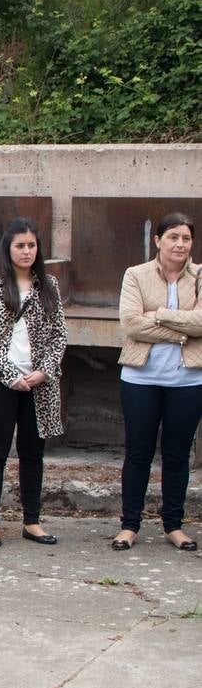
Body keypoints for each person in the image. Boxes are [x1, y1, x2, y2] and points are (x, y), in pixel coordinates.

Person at [0, 219, 68, 548]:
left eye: (31, 245)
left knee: (32, 454)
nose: (26, 251)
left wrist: (44, 370)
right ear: (8, 249)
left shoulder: (49, 285)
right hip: (0, 381)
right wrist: (10, 374)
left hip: (38, 382)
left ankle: (32, 521)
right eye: (20, 246)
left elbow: (60, 335)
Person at [113, 213, 202, 552]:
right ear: (158, 240)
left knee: (178, 455)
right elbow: (133, 325)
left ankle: (174, 525)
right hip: (141, 378)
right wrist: (184, 331)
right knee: (138, 453)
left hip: (189, 380)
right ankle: (129, 525)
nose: (180, 244)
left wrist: (161, 315)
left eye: (186, 238)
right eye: (173, 237)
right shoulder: (135, 275)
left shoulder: (200, 275)